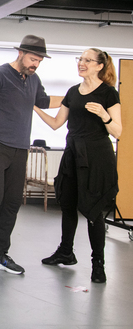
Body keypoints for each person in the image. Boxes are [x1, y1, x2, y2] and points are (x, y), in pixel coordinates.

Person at [0, 34, 63, 276]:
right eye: (32, 59)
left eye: (39, 61)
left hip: (20, 148)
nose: (35, 64)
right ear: (20, 53)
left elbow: (44, 101)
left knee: (12, 203)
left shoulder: (34, 79)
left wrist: (77, 96)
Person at [34, 49, 121, 283]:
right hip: (73, 152)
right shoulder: (73, 92)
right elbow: (55, 124)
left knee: (93, 210)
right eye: (79, 59)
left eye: (87, 60)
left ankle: (98, 264)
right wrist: (33, 107)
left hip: (97, 156)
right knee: (68, 203)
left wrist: (104, 115)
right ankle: (66, 252)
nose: (81, 63)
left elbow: (118, 131)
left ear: (99, 66)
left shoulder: (108, 93)